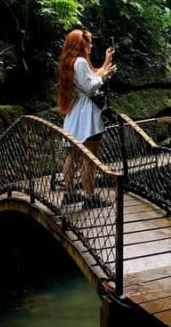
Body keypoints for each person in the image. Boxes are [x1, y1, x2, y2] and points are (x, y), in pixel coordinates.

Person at [57, 29, 116, 209]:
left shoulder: (72, 62)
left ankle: (70, 194)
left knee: (73, 155)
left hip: (77, 113)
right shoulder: (81, 61)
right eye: (88, 42)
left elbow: (89, 79)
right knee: (90, 157)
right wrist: (105, 75)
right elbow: (90, 87)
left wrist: (105, 64)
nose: (91, 45)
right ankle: (90, 197)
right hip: (87, 115)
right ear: (80, 44)